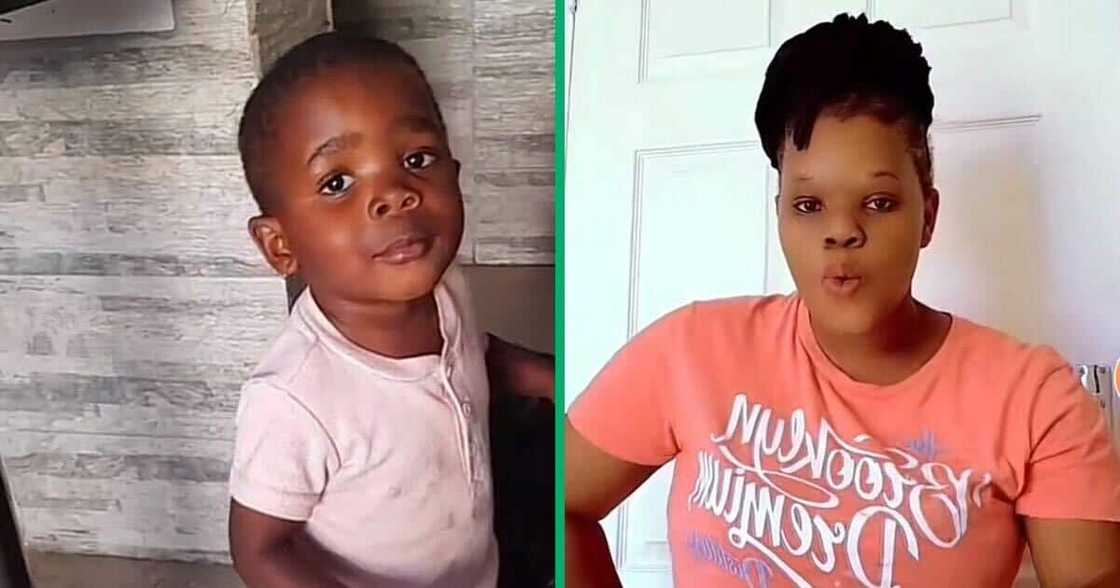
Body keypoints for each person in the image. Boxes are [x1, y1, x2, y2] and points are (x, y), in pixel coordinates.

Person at [565, 14, 1120, 588]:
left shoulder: (1036, 399)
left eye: (878, 202)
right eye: (809, 206)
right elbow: (560, 503)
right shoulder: (689, 350)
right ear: (779, 214)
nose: (841, 232)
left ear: (927, 217)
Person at [226, 32, 551, 588]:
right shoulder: (294, 399)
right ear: (281, 246)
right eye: (338, 182)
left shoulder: (447, 290)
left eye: (416, 159)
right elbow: (258, 549)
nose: (396, 194)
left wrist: (557, 377)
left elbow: (477, 354)